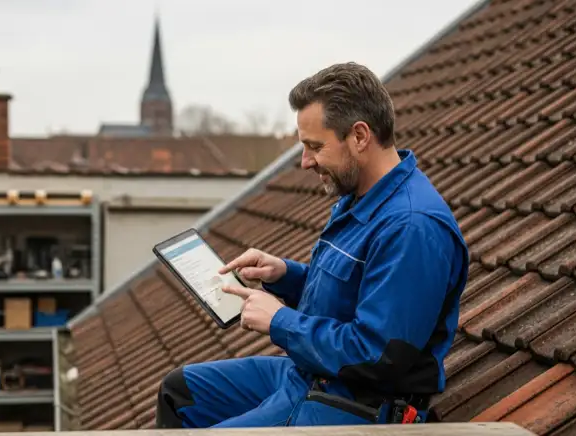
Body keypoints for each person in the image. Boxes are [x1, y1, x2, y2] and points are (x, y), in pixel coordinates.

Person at [155, 62, 470, 428]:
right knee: (180, 392)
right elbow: (351, 296)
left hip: (354, 404)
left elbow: (376, 355)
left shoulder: (412, 227)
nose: (305, 162)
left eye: (315, 147)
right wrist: (284, 275)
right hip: (309, 374)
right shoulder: (361, 197)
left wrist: (280, 321)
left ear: (359, 136)